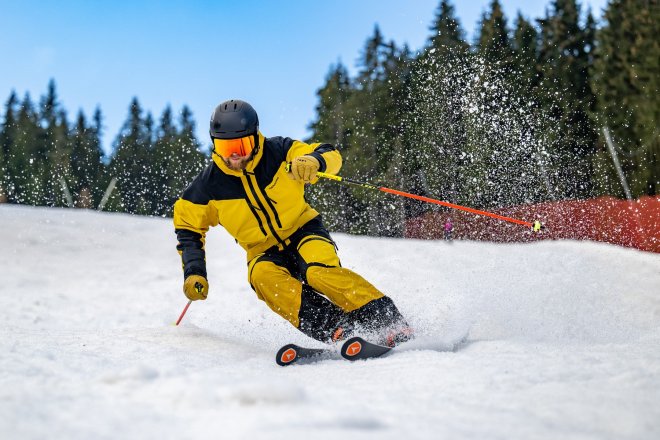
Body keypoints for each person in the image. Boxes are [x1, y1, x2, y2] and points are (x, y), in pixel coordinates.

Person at [173, 99, 412, 347]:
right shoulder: (207, 186)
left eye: (241, 146)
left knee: (319, 273)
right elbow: (187, 228)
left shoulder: (279, 151)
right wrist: (194, 273)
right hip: (262, 251)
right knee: (262, 278)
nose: (234, 156)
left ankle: (388, 321)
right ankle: (339, 329)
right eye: (225, 147)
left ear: (255, 138)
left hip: (303, 230)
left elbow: (328, 152)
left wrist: (314, 161)